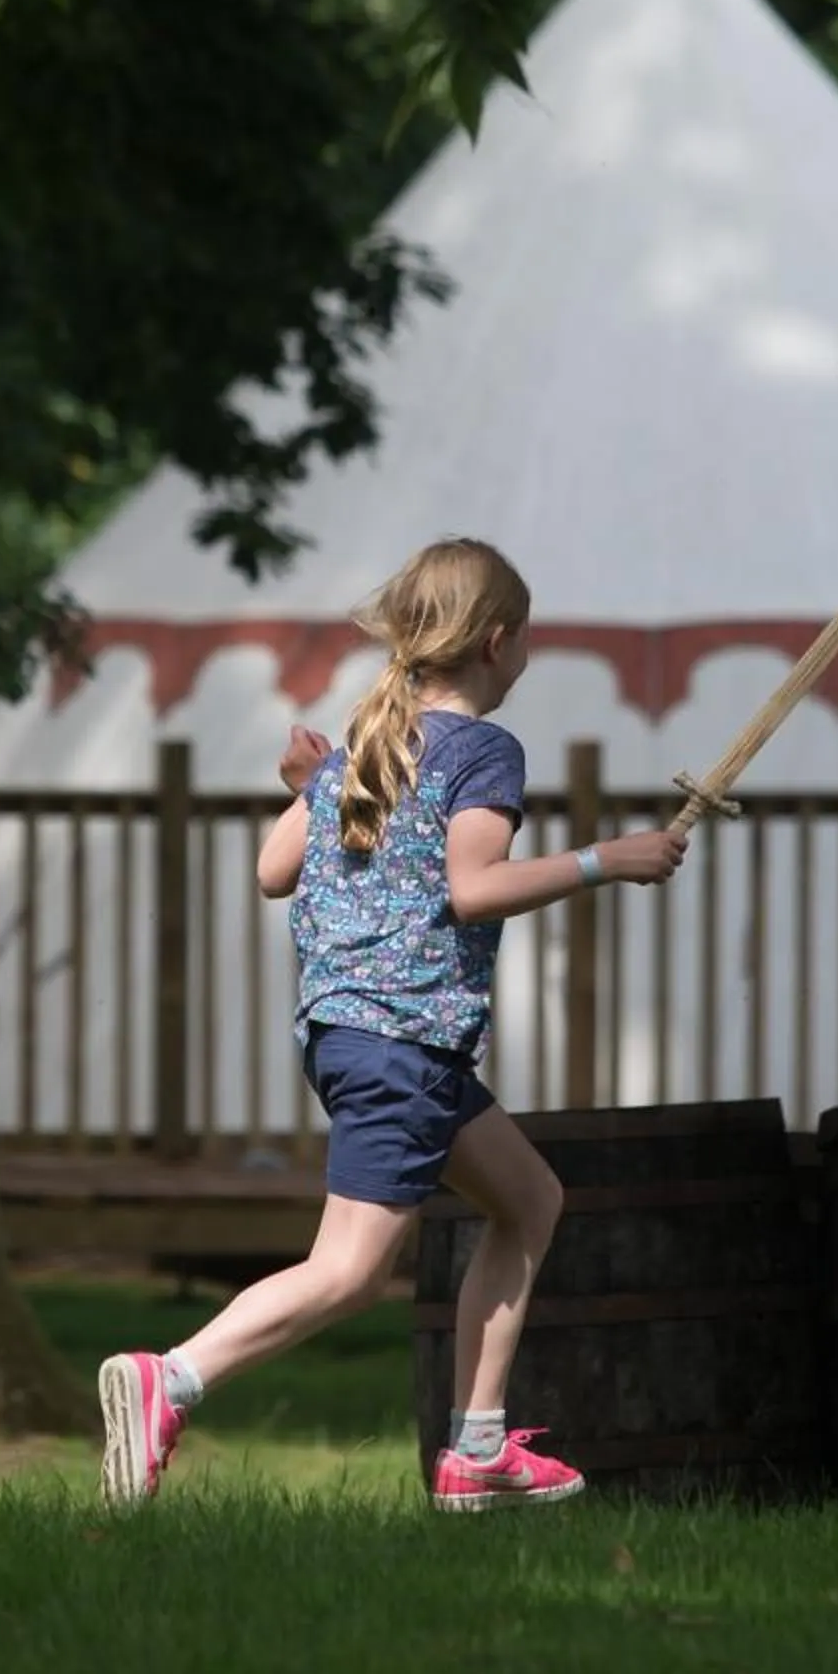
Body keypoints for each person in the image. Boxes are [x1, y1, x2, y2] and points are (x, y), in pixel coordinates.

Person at [95, 537, 688, 1512]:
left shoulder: (367, 743)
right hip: (403, 1044)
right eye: (528, 635)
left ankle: (478, 1447)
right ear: (498, 641)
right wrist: (604, 860)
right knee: (348, 1270)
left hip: (361, 1038)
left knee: (530, 1199)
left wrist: (309, 787)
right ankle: (175, 1375)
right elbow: (472, 890)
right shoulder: (484, 751)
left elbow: (271, 872)